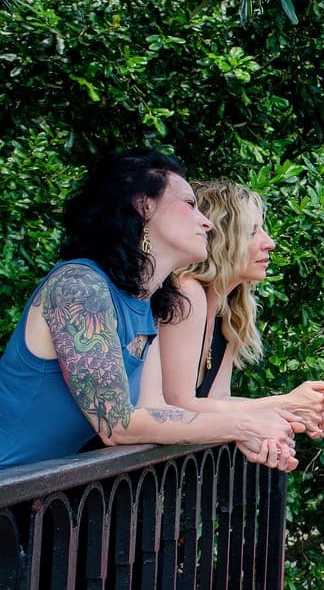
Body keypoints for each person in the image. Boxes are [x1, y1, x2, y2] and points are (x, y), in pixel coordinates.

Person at [0, 149, 303, 470]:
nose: (207, 222)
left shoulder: (145, 306)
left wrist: (249, 430)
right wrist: (244, 426)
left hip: (30, 502)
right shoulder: (79, 286)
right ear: (144, 206)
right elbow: (117, 424)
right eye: (189, 205)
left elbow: (157, 409)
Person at [158, 180, 324, 437]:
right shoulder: (186, 291)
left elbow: (217, 400)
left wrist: (297, 413)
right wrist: (287, 403)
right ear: (220, 240)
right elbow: (177, 405)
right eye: (252, 232)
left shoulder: (229, 308)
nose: (270, 243)